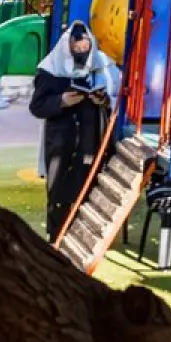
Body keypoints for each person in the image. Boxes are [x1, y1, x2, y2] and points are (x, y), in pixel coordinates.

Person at [30, 21, 121, 242]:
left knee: (87, 182)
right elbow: (37, 106)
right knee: (58, 185)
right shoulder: (50, 69)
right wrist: (61, 100)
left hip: (90, 137)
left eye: (85, 48)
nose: (81, 52)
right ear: (67, 47)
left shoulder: (102, 64)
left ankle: (85, 235)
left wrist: (104, 99)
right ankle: (57, 235)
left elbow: (116, 94)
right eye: (76, 48)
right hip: (60, 137)